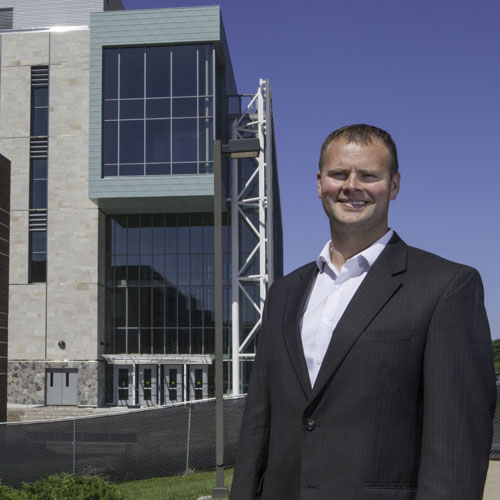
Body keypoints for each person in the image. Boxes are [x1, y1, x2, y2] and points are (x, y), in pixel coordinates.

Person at [230, 124, 497, 500]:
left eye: (369, 175)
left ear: (394, 185)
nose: (351, 186)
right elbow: (258, 426)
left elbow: (455, 446)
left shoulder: (447, 287)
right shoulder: (284, 294)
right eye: (339, 174)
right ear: (319, 183)